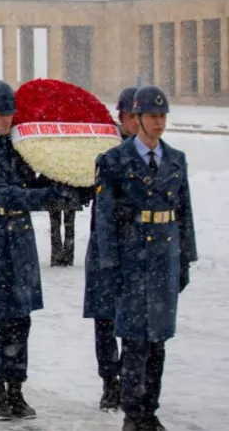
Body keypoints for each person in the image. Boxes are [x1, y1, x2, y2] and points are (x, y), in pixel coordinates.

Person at [0, 80, 80, 421]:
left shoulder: (20, 147)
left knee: (20, 318)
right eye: (0, 114)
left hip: (18, 238)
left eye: (10, 114)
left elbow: (32, 181)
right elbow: (3, 193)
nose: (7, 120)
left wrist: (70, 182)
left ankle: (17, 387)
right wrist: (49, 197)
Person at [94, 86, 196, 431]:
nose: (159, 123)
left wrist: (184, 260)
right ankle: (133, 414)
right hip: (133, 257)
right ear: (135, 120)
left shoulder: (176, 159)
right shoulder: (114, 161)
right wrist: (110, 265)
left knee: (158, 342)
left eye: (162, 116)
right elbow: (104, 219)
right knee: (136, 341)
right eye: (152, 117)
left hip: (164, 258)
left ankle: (150, 411)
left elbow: (184, 214)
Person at [83, 86, 140, 411]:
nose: (137, 122)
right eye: (132, 116)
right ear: (121, 117)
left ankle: (132, 379)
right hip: (105, 246)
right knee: (105, 322)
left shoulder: (153, 153)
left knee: (134, 322)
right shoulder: (102, 146)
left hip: (136, 249)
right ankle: (110, 381)